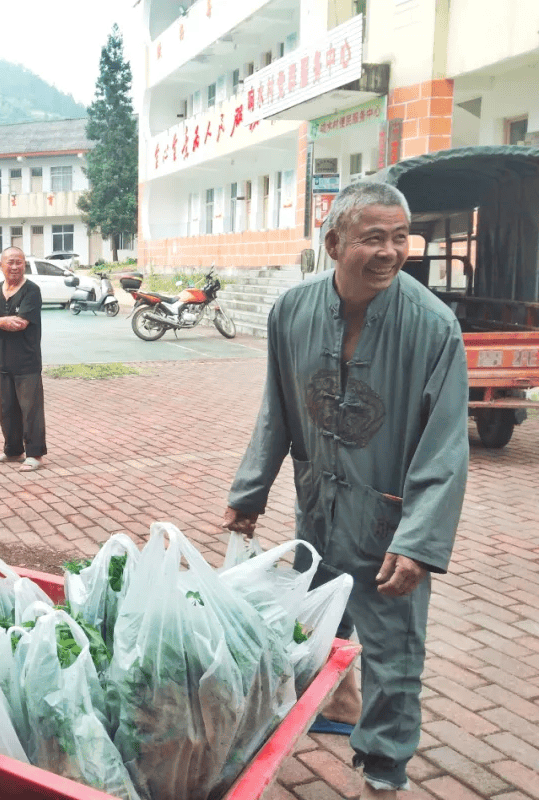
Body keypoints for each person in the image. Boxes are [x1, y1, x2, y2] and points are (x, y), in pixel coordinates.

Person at [222, 181, 469, 800]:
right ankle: (341, 700)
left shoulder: (433, 327)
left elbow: (445, 448)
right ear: (334, 244)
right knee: (321, 624)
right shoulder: (293, 312)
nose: (390, 252)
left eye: (399, 237)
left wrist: (419, 543)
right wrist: (250, 494)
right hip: (320, 510)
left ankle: (384, 775)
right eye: (373, 238)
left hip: (390, 527)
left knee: (396, 657)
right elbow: (275, 411)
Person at [0, 246, 47, 471]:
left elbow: (21, 324)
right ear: (1, 266)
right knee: (7, 410)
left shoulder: (31, 291)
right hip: (3, 361)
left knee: (30, 410)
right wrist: (2, 321)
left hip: (27, 362)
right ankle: (13, 451)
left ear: (24, 264)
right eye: (10, 262)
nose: (15, 266)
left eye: (19, 262)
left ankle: (35, 455)